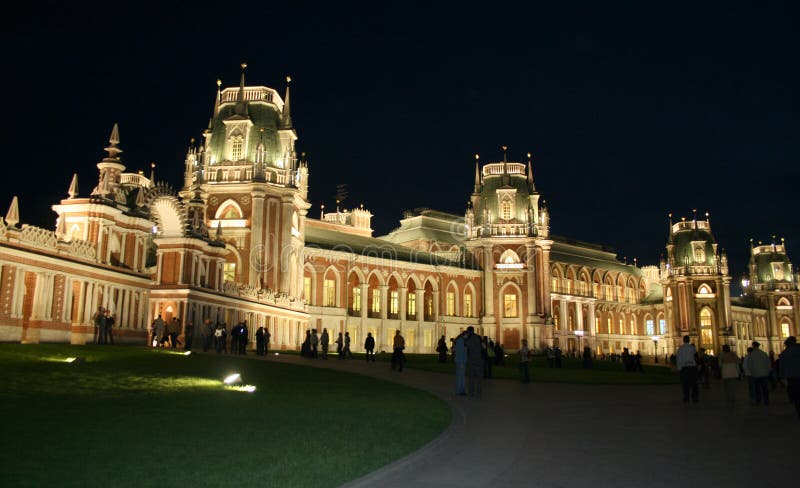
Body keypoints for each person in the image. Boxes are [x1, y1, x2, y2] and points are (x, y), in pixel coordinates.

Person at [778, 336, 800, 419]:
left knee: (796, 395)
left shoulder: (785, 353)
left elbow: (782, 366)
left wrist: (782, 377)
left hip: (792, 377)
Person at [676, 335, 699, 404]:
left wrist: (679, 368)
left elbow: (679, 359)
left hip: (685, 368)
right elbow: (696, 357)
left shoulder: (681, 348)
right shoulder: (693, 348)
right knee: (694, 384)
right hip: (692, 367)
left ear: (683, 340)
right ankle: (694, 397)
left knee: (685, 384)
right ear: (689, 340)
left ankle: (686, 397)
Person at [747, 341, 771, 405]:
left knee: (757, 388)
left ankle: (759, 400)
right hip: (764, 373)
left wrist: (752, 372)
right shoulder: (763, 354)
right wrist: (768, 371)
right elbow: (768, 363)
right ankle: (766, 400)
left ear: (753, 346)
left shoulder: (751, 355)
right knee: (765, 388)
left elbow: (749, 365)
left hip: (755, 374)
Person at [464, 326, 483, 397]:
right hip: (479, 359)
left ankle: (471, 392)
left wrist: (465, 340)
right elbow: (483, 347)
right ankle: (479, 392)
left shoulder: (470, 338)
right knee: (479, 378)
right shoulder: (478, 337)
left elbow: (467, 347)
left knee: (471, 377)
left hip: (472, 360)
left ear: (468, 331)